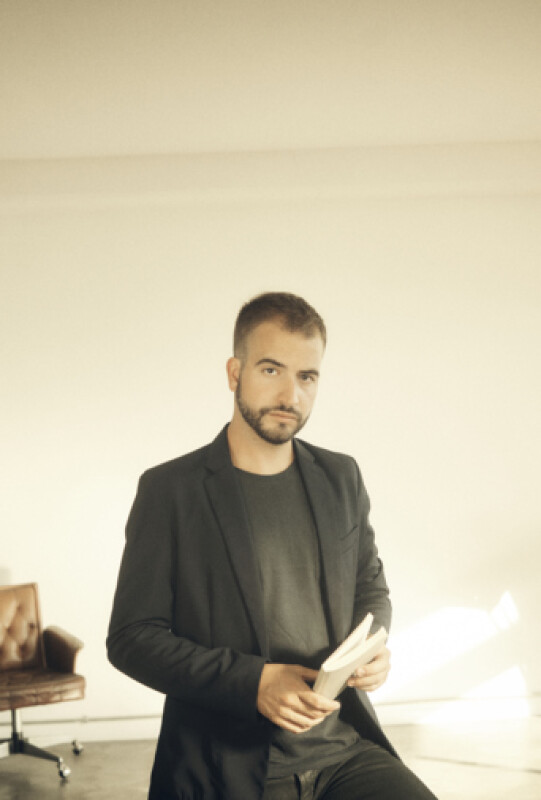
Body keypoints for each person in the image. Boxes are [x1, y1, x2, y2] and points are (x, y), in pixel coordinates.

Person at [107, 292, 437, 800]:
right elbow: (132, 638)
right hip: (228, 765)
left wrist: (373, 647)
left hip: (342, 750)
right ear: (234, 372)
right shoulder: (171, 490)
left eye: (307, 376)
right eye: (270, 370)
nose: (291, 394)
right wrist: (254, 682)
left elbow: (370, 588)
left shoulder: (340, 476)